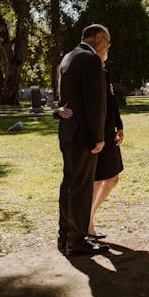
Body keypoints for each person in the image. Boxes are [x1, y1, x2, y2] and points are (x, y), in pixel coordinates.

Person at [56, 24, 111, 256]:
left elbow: (67, 98)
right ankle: (77, 240)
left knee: (68, 185)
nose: (106, 49)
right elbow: (95, 103)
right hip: (82, 136)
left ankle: (65, 235)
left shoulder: (68, 57)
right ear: (98, 38)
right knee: (81, 188)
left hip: (68, 132)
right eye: (107, 44)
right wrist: (98, 137)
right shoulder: (90, 60)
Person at [57, 53, 124, 238]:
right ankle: (86, 224)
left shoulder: (104, 73)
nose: (105, 55)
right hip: (92, 135)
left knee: (112, 179)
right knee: (94, 181)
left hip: (108, 133)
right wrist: (58, 111)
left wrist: (120, 126)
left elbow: (111, 102)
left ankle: (89, 217)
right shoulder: (83, 72)